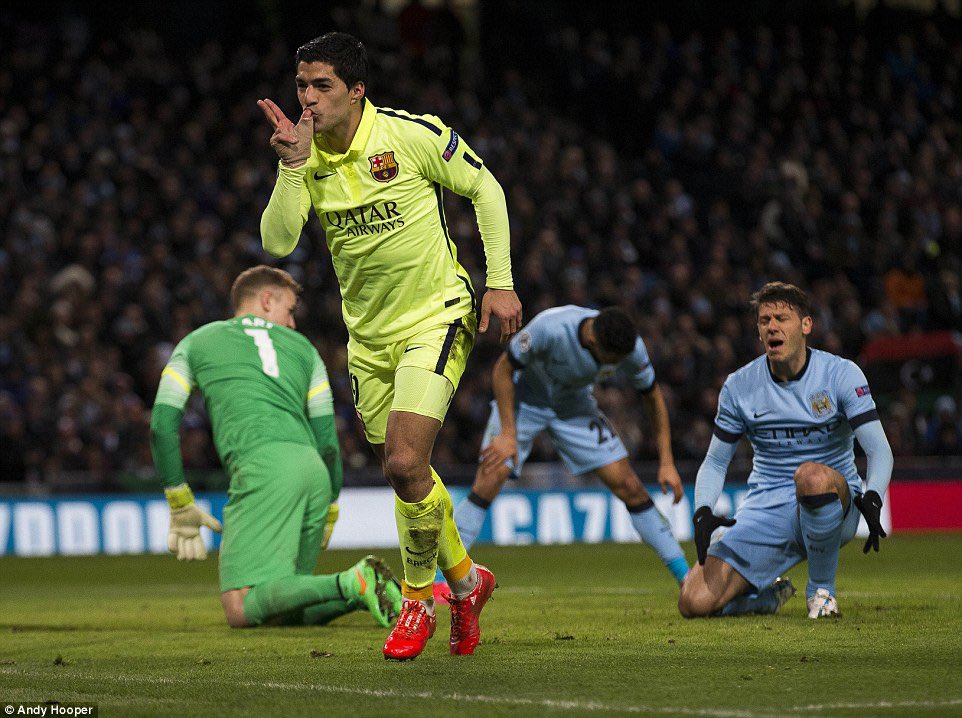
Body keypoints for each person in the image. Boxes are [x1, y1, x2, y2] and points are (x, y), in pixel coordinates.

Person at [257, 32, 522, 660]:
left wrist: (501, 282)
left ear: (356, 90)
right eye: (302, 86)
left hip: (438, 315)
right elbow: (276, 243)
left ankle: (416, 601)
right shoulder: (304, 153)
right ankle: (467, 581)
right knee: (408, 478)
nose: (309, 99)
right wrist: (291, 168)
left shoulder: (411, 135)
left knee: (405, 461)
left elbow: (487, 189)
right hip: (369, 339)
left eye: (322, 86)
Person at [150, 265, 401, 629]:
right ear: (267, 300)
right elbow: (329, 441)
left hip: (264, 468)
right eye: (291, 310)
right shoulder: (306, 351)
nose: (293, 323)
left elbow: (161, 425)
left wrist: (178, 497)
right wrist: (329, 503)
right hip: (314, 470)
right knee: (282, 606)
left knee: (241, 605)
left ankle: (354, 579)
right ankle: (364, 593)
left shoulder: (195, 342)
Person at [678, 282, 893, 619]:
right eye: (765, 320)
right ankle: (766, 598)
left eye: (782, 318)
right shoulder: (739, 386)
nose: (772, 326)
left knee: (809, 476)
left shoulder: (840, 374)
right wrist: (703, 510)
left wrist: (874, 495)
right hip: (767, 510)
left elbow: (879, 450)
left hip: (834, 500)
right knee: (693, 602)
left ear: (806, 325)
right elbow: (716, 461)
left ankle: (822, 592)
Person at [443, 305, 689, 595]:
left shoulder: (631, 346)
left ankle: (686, 578)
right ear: (594, 342)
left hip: (573, 406)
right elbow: (502, 370)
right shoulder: (550, 328)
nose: (616, 369)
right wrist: (508, 434)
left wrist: (667, 462)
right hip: (524, 402)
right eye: (611, 363)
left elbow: (653, 397)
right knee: (489, 479)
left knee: (629, 484)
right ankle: (438, 580)